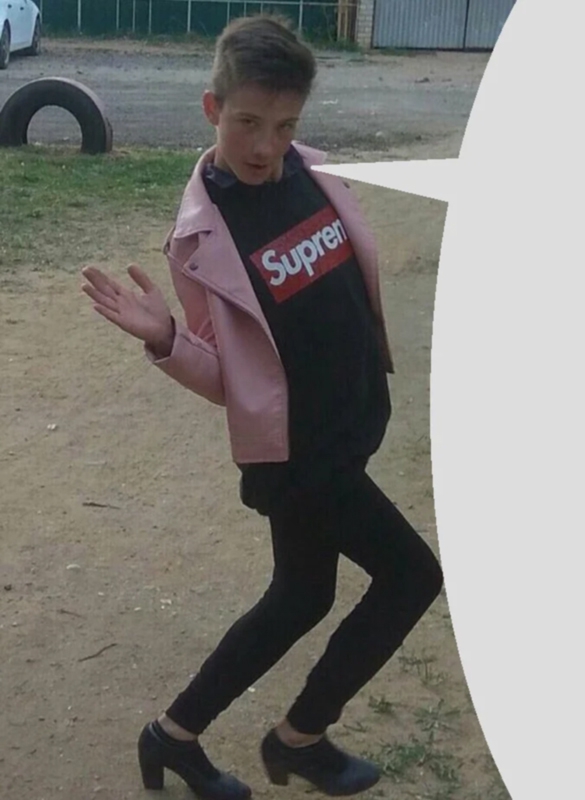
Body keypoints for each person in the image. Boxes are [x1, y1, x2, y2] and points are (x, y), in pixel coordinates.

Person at [81, 14, 444, 800]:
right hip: (299, 456)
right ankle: (299, 737)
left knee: (301, 595)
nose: (264, 146)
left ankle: (172, 737)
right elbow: (229, 377)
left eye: (283, 126)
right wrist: (167, 338)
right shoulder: (201, 238)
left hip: (348, 427)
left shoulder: (310, 172)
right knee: (412, 576)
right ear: (213, 109)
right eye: (247, 122)